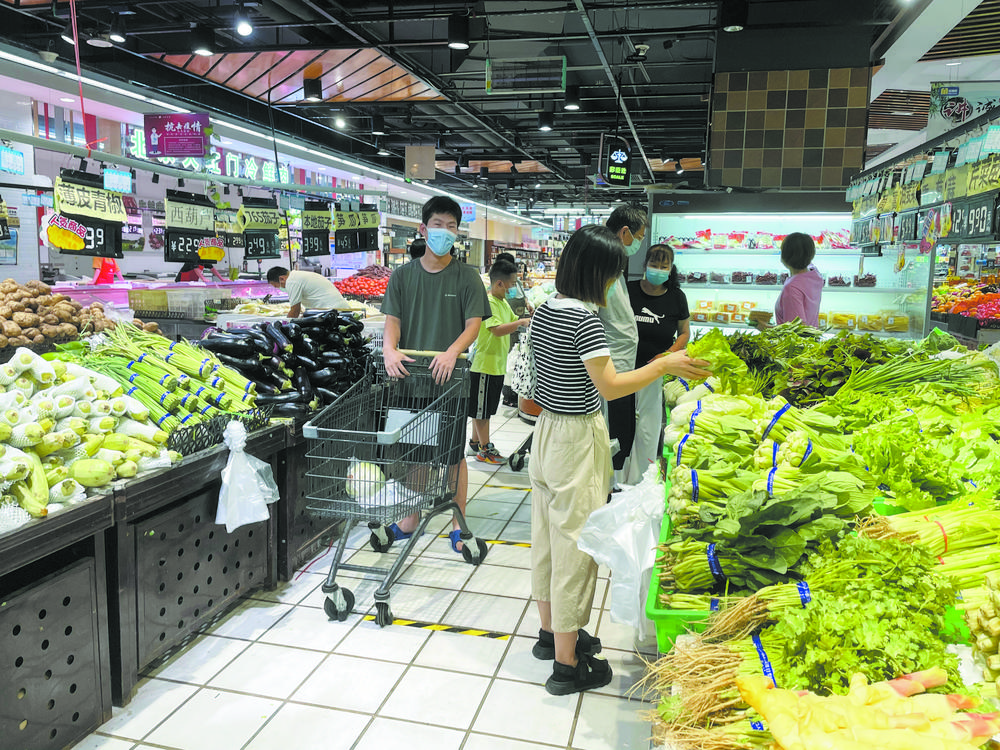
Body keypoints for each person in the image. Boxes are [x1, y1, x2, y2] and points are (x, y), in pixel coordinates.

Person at [528, 224, 710, 696]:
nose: (615, 284)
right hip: (575, 437)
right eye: (612, 273)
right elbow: (610, 387)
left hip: (546, 431)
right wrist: (662, 366)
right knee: (574, 546)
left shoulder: (546, 308)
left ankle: (550, 635)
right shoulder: (585, 320)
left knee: (546, 536)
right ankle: (567, 665)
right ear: (597, 273)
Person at [381, 195, 491, 553]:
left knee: (452, 456)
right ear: (423, 229)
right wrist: (389, 349)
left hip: (450, 383)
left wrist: (452, 351)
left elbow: (473, 325)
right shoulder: (402, 276)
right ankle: (410, 519)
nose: (445, 232)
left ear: (457, 232)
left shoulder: (467, 277)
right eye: (438, 225)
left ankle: (459, 523)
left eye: (451, 226)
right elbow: (392, 321)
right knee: (415, 453)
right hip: (409, 379)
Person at [625, 243, 690, 485]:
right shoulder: (628, 290)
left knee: (647, 429)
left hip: (654, 372)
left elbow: (684, 332)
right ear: (645, 265)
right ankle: (616, 477)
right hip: (622, 369)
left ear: (671, 269)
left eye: (664, 266)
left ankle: (642, 480)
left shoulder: (676, 297)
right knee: (620, 425)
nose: (658, 270)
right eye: (654, 264)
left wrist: (668, 355)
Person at [601, 204, 647, 489]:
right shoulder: (603, 267)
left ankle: (611, 482)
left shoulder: (616, 268)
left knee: (620, 429)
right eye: (639, 237)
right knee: (610, 430)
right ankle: (605, 485)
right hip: (609, 366)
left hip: (621, 366)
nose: (639, 244)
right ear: (625, 233)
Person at [468, 258, 530, 464]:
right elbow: (496, 330)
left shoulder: (502, 303)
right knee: (482, 411)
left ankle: (475, 444)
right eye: (512, 284)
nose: (513, 289)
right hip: (484, 365)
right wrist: (522, 322)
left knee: (484, 408)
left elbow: (513, 322)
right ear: (499, 283)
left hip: (495, 365)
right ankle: (485, 449)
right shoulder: (489, 303)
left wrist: (527, 319)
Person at [752, 233, 823, 329]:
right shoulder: (815, 274)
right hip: (812, 336)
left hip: (798, 339)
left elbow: (796, 330)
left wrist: (765, 327)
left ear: (784, 256)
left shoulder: (792, 288)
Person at [266, 266, 349, 318]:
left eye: (276, 286)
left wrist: (286, 325)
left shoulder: (292, 281)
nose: (279, 288)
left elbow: (295, 310)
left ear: (282, 279)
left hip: (333, 312)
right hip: (340, 310)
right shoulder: (297, 275)